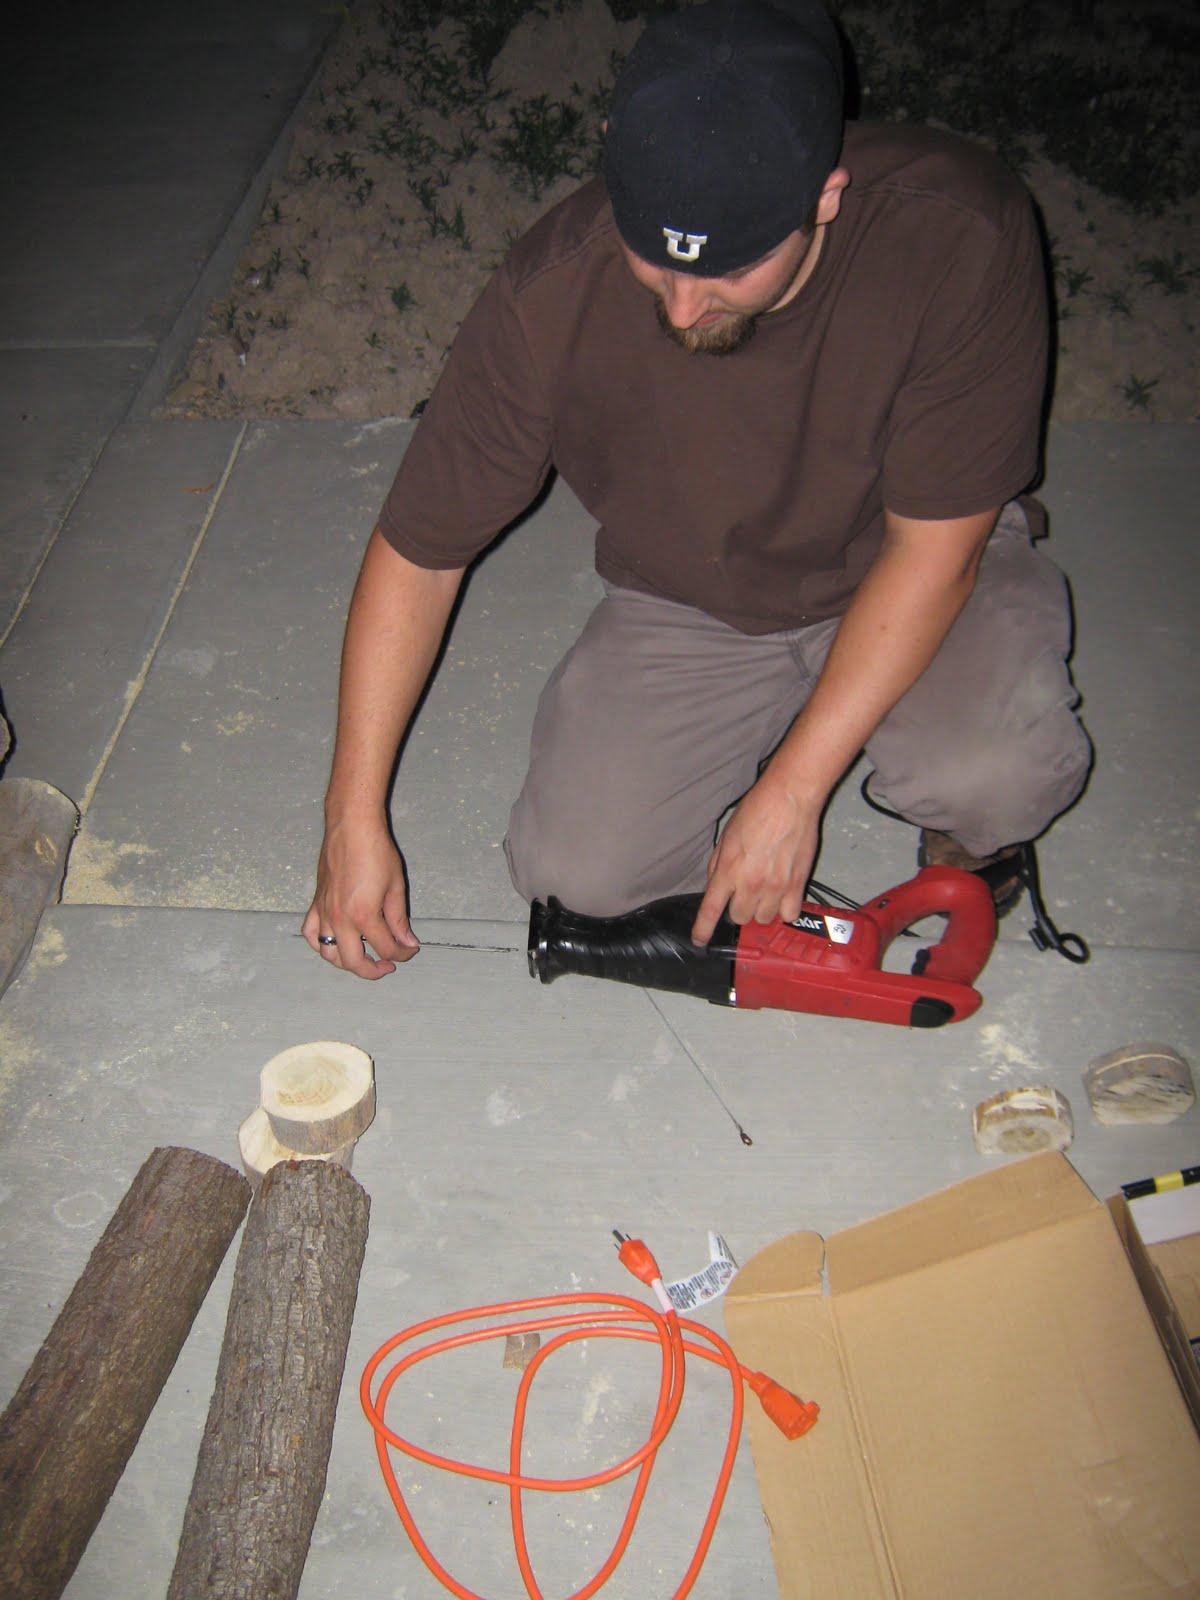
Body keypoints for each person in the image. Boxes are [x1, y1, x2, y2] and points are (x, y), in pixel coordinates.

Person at [303, 0, 1091, 979]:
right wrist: (350, 817)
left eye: (727, 274)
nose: (681, 308)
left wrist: (796, 792)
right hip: (694, 593)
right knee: (579, 876)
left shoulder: (959, 234)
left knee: (992, 773)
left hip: (905, 559)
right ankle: (755, 740)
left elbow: (937, 551)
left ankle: (965, 837)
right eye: (656, 262)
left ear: (826, 196)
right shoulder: (551, 291)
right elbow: (419, 553)